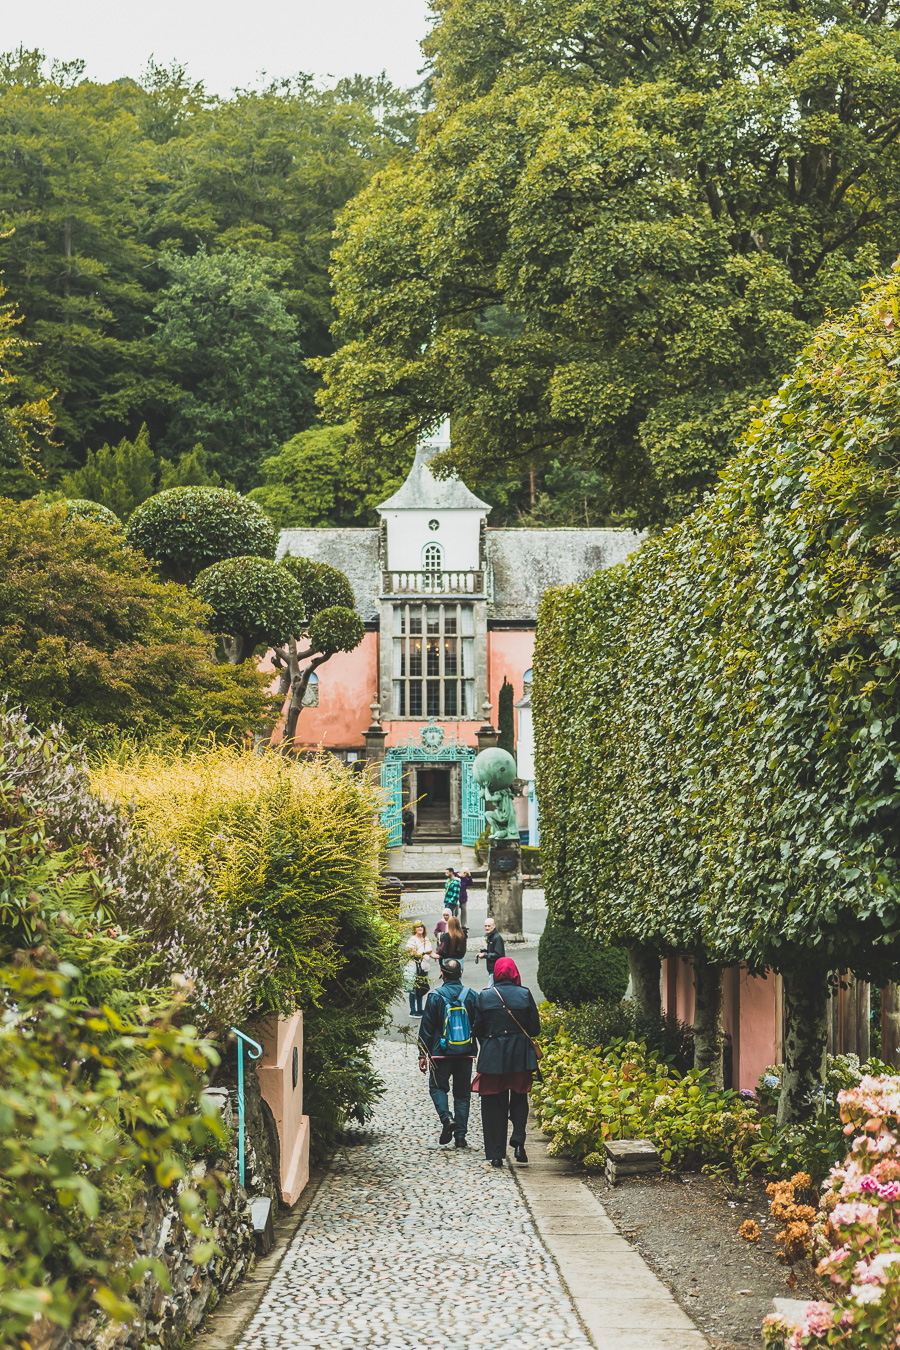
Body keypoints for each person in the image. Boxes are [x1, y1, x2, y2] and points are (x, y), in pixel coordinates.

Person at [471, 957, 541, 1167]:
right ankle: (518, 1141)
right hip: (520, 1055)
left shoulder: (485, 996)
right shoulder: (525, 994)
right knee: (520, 1097)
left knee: (493, 1103)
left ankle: (495, 1153)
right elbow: (534, 1029)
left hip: (493, 1057)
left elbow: (477, 1029)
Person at [417, 958, 479, 1148]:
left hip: (440, 1053)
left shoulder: (435, 996)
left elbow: (426, 1027)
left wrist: (422, 1054)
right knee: (462, 1095)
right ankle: (460, 1137)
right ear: (460, 973)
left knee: (437, 1088)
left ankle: (447, 1119)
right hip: (465, 1053)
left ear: (442, 974)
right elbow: (478, 1025)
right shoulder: (471, 995)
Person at [405, 922, 434, 1017]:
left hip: (424, 967)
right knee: (413, 989)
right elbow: (412, 954)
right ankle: (412, 1010)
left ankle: (420, 1008)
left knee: (421, 988)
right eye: (418, 926)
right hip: (415, 967)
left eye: (421, 926)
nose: (420, 928)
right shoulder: (412, 940)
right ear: (414, 929)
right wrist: (424, 952)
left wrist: (442, 956)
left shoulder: (426, 939)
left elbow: (432, 953)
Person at [478, 917, 505, 986]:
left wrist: (485, 955)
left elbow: (498, 954)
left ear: (494, 926)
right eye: (485, 926)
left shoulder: (496, 938)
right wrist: (485, 952)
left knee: (490, 990)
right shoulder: (491, 937)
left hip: (496, 969)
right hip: (493, 969)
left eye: (489, 926)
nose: (487, 928)